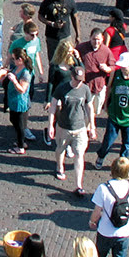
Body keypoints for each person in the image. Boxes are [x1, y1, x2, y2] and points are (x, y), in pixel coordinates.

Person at [50, 65, 96, 197]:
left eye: (81, 80)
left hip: (80, 128)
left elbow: (89, 108)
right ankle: (59, 167)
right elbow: (53, 106)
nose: (78, 82)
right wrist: (51, 125)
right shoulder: (62, 88)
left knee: (79, 155)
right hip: (63, 127)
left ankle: (78, 185)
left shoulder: (85, 89)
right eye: (77, 79)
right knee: (60, 149)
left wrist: (92, 126)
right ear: (71, 77)